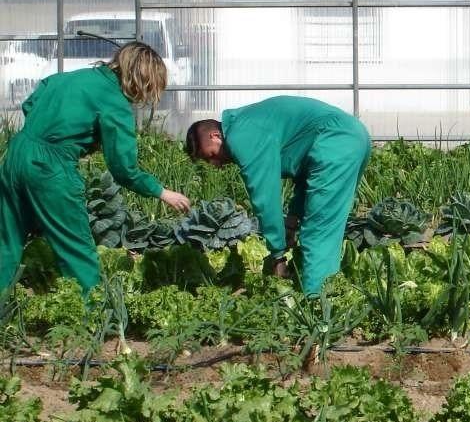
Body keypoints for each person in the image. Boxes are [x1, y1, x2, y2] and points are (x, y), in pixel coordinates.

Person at [0, 42, 191, 292]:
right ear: (140, 80)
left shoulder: (68, 77)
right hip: (51, 169)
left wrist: (60, 133)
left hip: (16, 155)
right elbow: (123, 169)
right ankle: (90, 319)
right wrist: (162, 192)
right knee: (75, 247)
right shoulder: (114, 102)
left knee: (7, 239)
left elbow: (30, 105)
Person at [185, 97, 371, 296]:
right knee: (325, 226)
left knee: (319, 231)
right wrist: (291, 222)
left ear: (215, 136)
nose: (216, 164)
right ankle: (324, 296)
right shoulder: (248, 123)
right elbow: (306, 172)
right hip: (350, 137)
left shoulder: (242, 137)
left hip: (337, 141)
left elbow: (266, 198)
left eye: (210, 156)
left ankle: (318, 309)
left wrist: (278, 256)